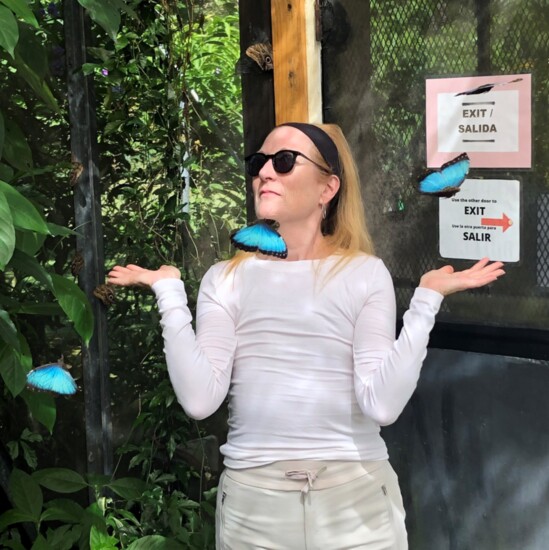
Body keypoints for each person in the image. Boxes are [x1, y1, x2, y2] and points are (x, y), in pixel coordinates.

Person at [108, 122, 505, 549]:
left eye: (283, 161)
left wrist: (425, 301)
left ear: (327, 188)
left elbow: (383, 404)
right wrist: (169, 293)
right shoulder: (224, 279)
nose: (265, 172)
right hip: (253, 509)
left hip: (359, 506)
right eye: (259, 162)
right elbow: (200, 399)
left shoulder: (363, 273)